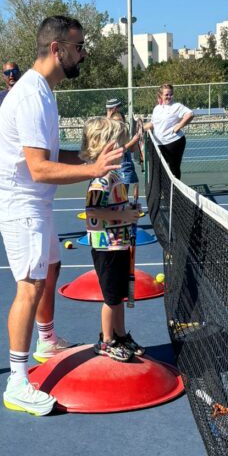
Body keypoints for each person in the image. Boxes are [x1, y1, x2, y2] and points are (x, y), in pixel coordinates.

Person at [0, 15, 123, 415]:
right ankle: (16, 379)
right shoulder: (30, 96)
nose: (82, 55)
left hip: (35, 200)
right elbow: (39, 169)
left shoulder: (44, 91)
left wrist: (88, 157)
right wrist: (93, 171)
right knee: (29, 284)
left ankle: (47, 340)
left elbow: (48, 157)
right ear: (56, 49)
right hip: (19, 202)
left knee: (51, 267)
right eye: (78, 48)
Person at [81, 117, 144, 361]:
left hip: (119, 242)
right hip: (105, 246)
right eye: (119, 145)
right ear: (103, 148)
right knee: (111, 298)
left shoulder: (115, 176)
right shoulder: (100, 180)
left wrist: (129, 208)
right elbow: (94, 211)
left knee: (119, 295)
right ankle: (105, 341)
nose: (123, 149)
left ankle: (119, 334)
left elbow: (116, 205)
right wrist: (124, 215)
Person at [143, 84, 194, 180]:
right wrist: (141, 128)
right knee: (158, 168)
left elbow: (190, 114)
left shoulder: (177, 106)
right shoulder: (157, 108)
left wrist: (179, 125)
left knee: (173, 168)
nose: (169, 97)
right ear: (161, 96)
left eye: (171, 94)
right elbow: (153, 124)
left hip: (174, 142)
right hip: (159, 144)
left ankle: (175, 191)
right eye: (166, 95)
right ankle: (162, 190)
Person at [105, 98, 143, 203]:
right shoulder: (107, 128)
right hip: (114, 166)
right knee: (114, 191)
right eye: (119, 107)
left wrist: (137, 140)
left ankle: (125, 207)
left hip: (124, 164)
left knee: (130, 186)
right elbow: (117, 150)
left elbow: (130, 150)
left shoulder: (122, 130)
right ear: (114, 109)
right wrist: (133, 140)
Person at [0, 61, 21, 129]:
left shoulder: (28, 94)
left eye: (14, 71)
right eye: (7, 73)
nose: (11, 75)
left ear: (19, 73)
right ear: (4, 76)